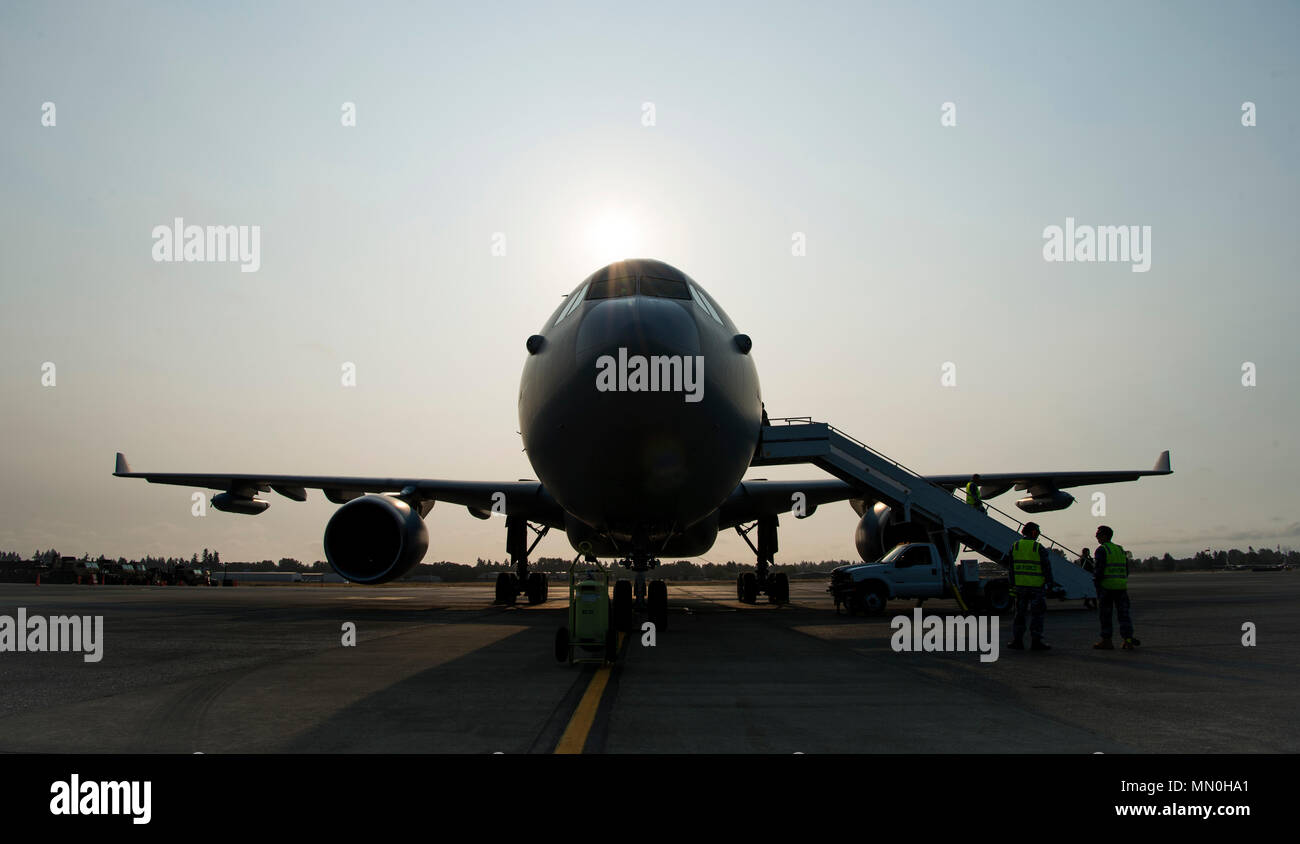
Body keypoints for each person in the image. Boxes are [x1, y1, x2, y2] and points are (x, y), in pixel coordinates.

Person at [1005, 522, 1055, 650]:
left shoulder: (1014, 546)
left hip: (1020, 588)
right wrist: (1050, 584)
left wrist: (1012, 585)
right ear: (1033, 532)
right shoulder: (1038, 547)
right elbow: (1046, 568)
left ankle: (1017, 641)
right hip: (1036, 588)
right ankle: (1036, 641)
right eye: (1038, 532)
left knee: (1019, 615)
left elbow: (1011, 569)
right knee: (1037, 616)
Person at [1092, 525, 1140, 650]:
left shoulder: (1102, 550)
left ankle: (1106, 641)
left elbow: (1099, 570)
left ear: (1105, 536)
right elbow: (1126, 569)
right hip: (1121, 587)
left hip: (1107, 588)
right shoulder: (1120, 549)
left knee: (1106, 616)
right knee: (1124, 615)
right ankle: (1128, 640)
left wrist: (1097, 584)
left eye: (1098, 534)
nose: (1096, 536)